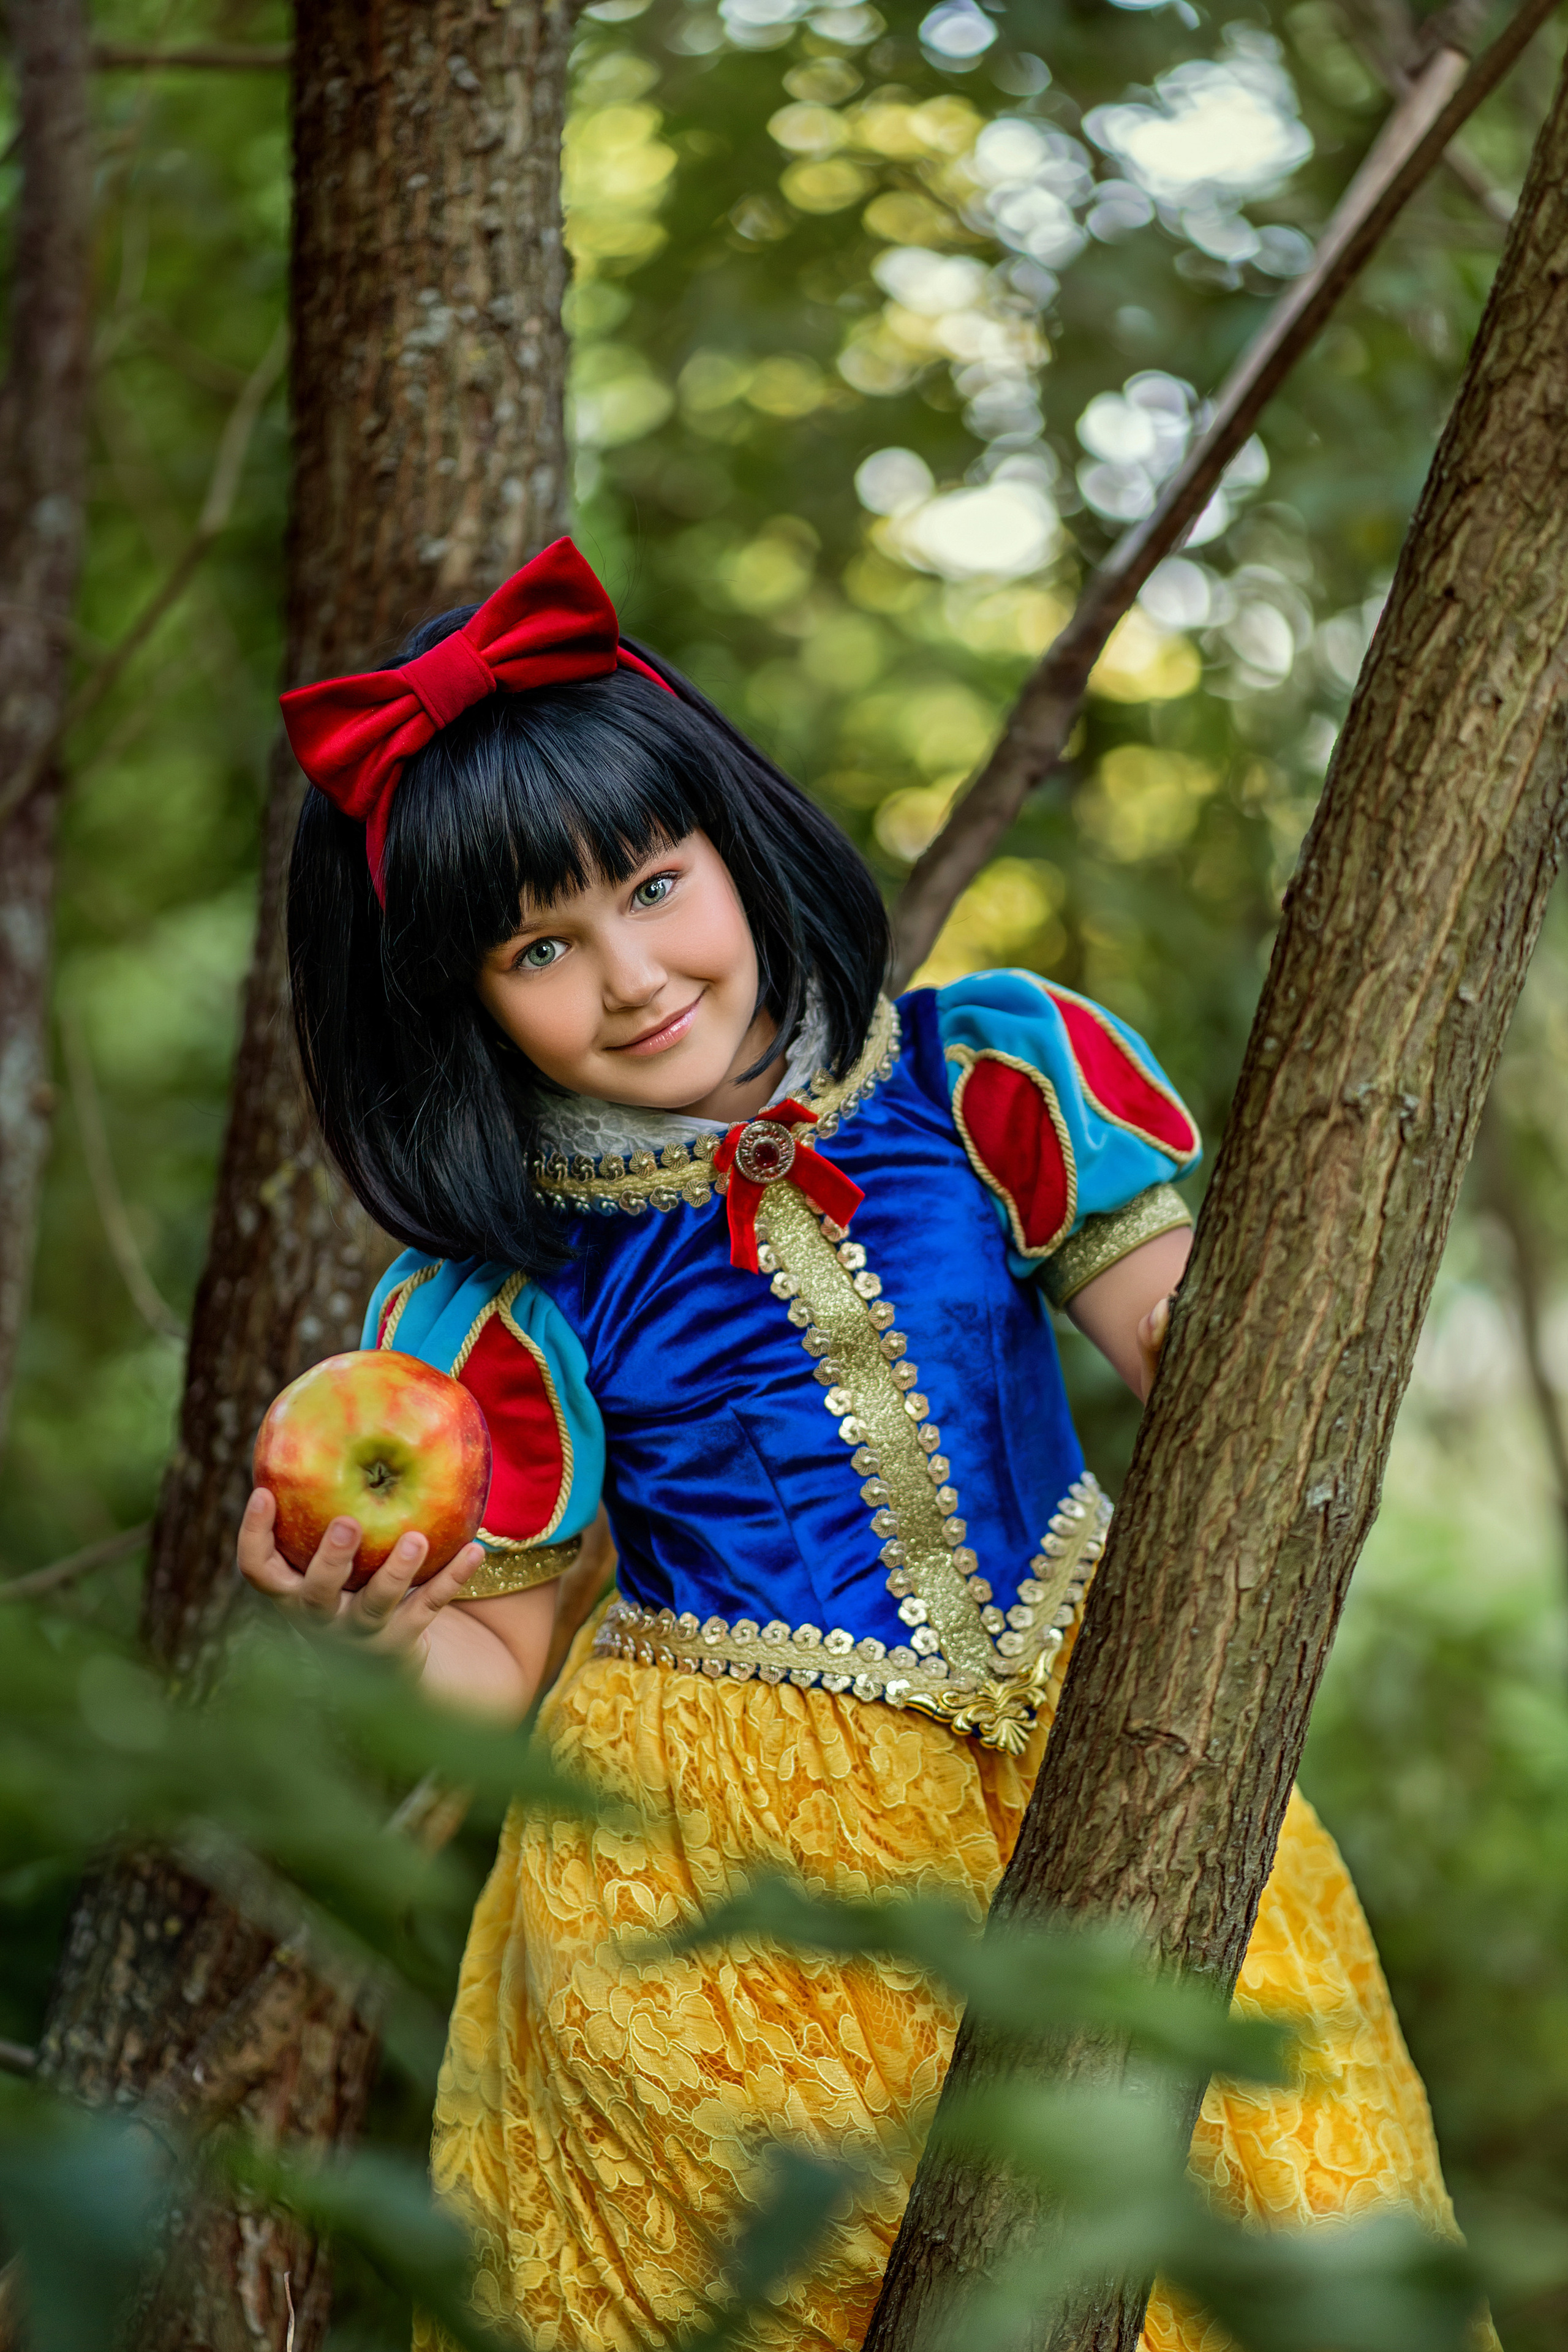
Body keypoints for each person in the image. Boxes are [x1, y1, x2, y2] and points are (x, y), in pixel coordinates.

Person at [238, 539, 1464, 2350]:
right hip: (726, 1880)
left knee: (1247, 2214)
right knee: (835, 2279)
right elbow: (486, 1674)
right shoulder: (502, 1298)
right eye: (541, 948)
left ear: (735, 843)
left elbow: (1212, 1355)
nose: (636, 974)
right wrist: (369, 1624)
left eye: (657, 886)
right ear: (464, 1001)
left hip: (1124, 1736)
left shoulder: (985, 1076)